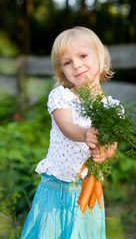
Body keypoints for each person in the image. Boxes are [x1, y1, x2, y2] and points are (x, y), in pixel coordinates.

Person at [20, 26, 118, 239]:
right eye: (67, 62)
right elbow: (66, 126)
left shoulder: (111, 108)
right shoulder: (61, 97)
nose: (77, 65)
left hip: (87, 193)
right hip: (56, 192)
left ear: (99, 56)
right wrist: (85, 134)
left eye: (83, 56)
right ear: (61, 69)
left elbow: (112, 144)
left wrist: (105, 152)